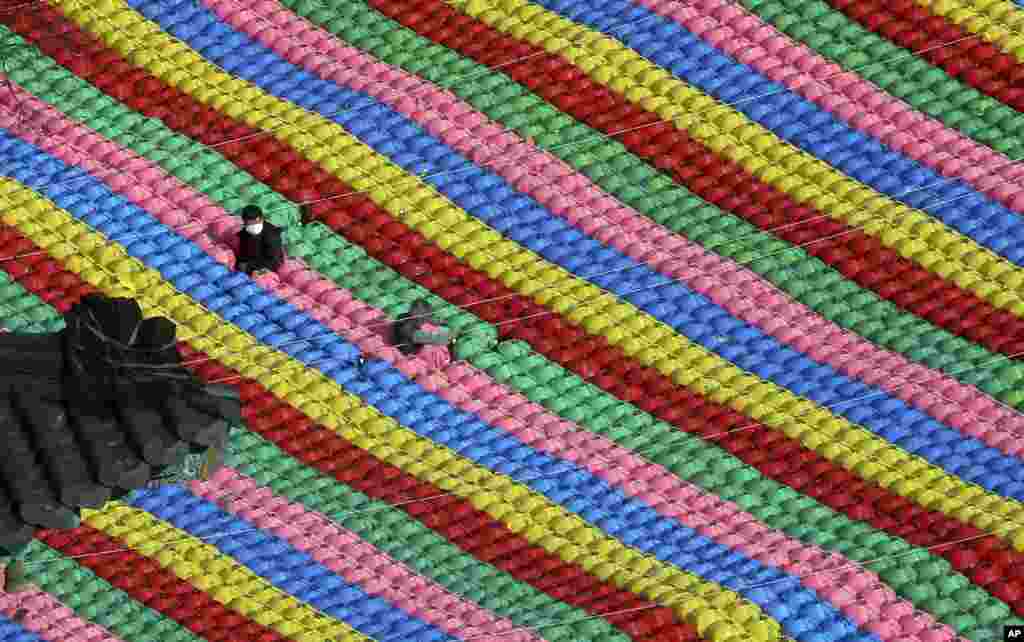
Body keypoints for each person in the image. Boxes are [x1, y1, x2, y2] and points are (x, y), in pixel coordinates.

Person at [235, 205, 284, 276]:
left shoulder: (272, 235)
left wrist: (257, 271)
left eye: (256, 222)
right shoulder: (244, 234)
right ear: (244, 222)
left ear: (262, 219)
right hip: (250, 265)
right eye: (249, 224)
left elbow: (275, 262)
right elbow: (242, 253)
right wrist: (241, 264)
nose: (253, 226)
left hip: (266, 268)